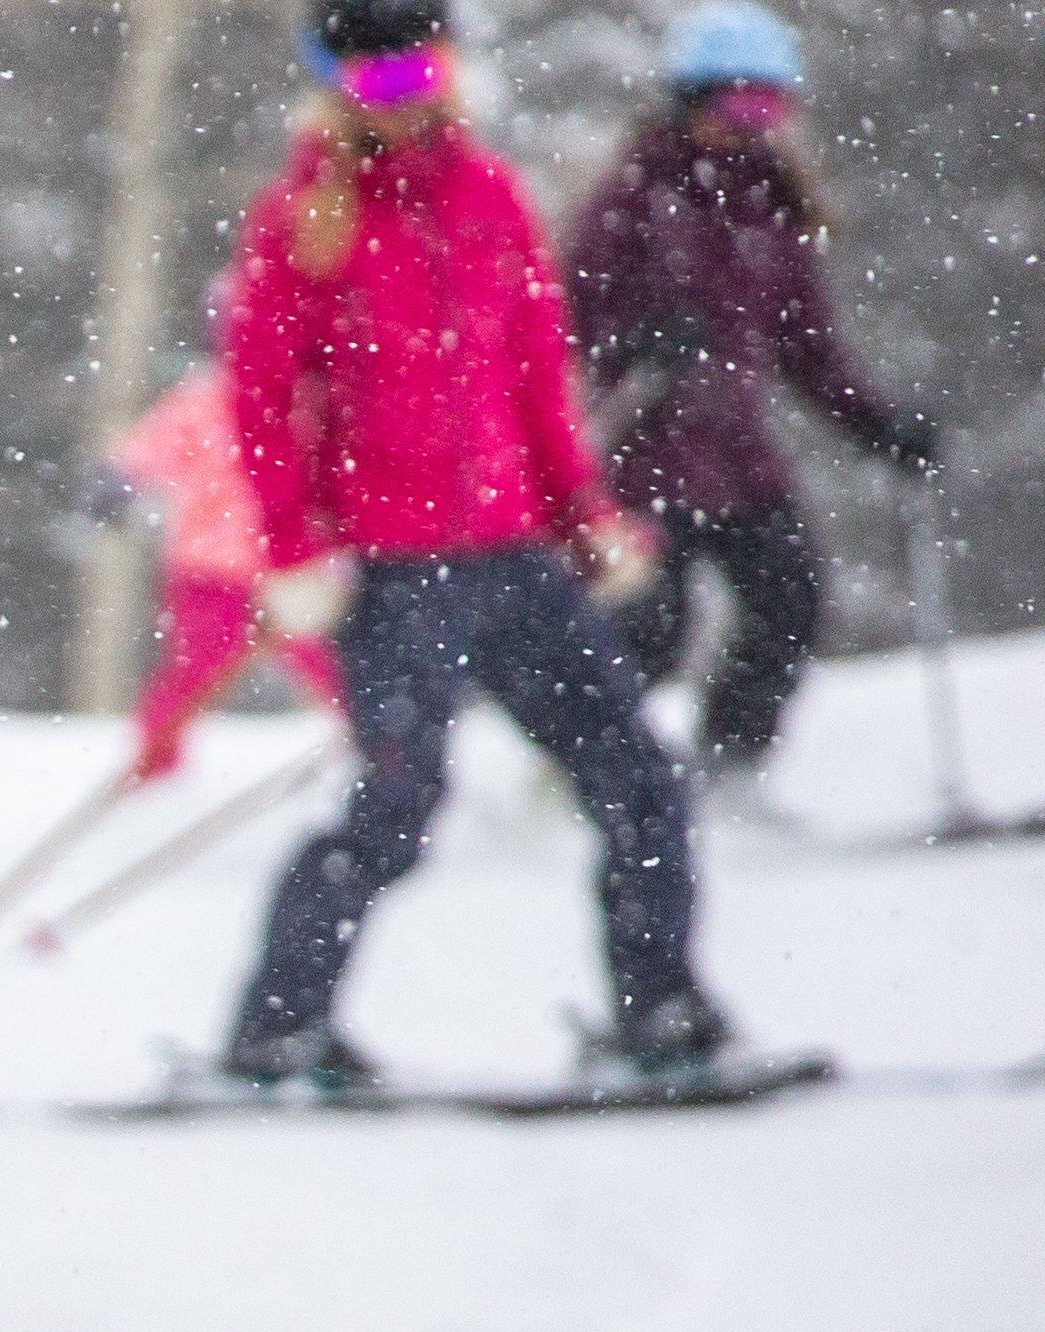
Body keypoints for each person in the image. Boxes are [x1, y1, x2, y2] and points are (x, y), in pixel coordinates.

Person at [215, 0, 727, 1092]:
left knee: (641, 782)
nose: (413, 97)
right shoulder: (303, 217)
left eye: (428, 70)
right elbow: (263, 403)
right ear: (338, 85)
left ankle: (662, 1010)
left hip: (514, 558)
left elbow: (539, 373)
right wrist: (294, 550)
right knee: (396, 807)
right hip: (392, 578)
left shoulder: (489, 195)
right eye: (383, 81)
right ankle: (275, 1031)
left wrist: (582, 511)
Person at [563, 0, 938, 791]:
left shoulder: (771, 206)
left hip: (739, 461)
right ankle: (592, 774)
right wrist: (634, 342)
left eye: (769, 104)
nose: (753, 122)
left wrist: (874, 423)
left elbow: (807, 347)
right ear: (691, 99)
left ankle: (731, 769)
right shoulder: (633, 197)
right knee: (651, 629)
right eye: (738, 101)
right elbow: (569, 315)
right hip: (645, 461)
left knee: (790, 600)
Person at [89, 345, 346, 782]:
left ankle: (379, 744)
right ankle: (156, 758)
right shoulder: (207, 398)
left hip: (288, 563)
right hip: (216, 565)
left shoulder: (312, 396)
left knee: (329, 659)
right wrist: (119, 480)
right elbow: (153, 449)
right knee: (198, 664)